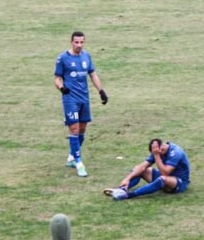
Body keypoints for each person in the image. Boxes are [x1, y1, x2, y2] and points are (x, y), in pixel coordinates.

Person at [54, 31, 108, 177]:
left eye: (81, 42)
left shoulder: (86, 56)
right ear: (71, 42)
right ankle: (79, 162)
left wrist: (101, 91)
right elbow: (57, 78)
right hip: (70, 99)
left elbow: (92, 74)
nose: (79, 45)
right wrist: (62, 88)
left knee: (82, 129)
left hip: (84, 98)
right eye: (76, 42)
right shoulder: (63, 58)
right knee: (74, 128)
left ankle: (72, 156)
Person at [103, 138, 191, 200]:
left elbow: (165, 173)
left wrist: (156, 156)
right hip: (165, 178)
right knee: (139, 169)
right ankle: (121, 190)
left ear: (162, 149)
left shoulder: (175, 152)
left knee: (162, 179)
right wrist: (127, 179)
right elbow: (142, 166)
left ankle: (129, 195)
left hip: (179, 182)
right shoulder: (157, 150)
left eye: (157, 153)